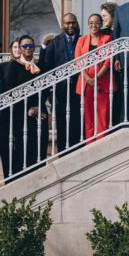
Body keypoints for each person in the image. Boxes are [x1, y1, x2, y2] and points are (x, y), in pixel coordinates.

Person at [0, 35, 46, 177]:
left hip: (39, 112)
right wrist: (27, 110)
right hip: (20, 114)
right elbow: (10, 91)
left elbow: (46, 88)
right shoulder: (13, 66)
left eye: (30, 46)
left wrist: (38, 106)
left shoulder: (41, 65)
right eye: (24, 46)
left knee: (39, 148)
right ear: (19, 49)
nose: (28, 48)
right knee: (22, 149)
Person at [38, 13, 82, 153]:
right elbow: (46, 67)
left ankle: (78, 152)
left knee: (78, 122)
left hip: (79, 88)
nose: (70, 26)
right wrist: (51, 91)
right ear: (62, 25)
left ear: (76, 24)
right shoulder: (55, 42)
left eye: (73, 23)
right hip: (60, 91)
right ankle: (63, 154)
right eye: (67, 23)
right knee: (62, 124)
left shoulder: (82, 40)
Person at [75, 13, 114, 140]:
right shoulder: (81, 40)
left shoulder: (107, 39)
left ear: (101, 25)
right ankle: (90, 144)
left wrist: (96, 79)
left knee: (103, 116)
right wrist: (88, 79)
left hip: (102, 83)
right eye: (91, 23)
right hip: (86, 83)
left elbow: (108, 61)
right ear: (88, 25)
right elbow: (78, 61)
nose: (94, 25)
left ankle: (101, 143)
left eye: (97, 23)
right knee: (88, 117)